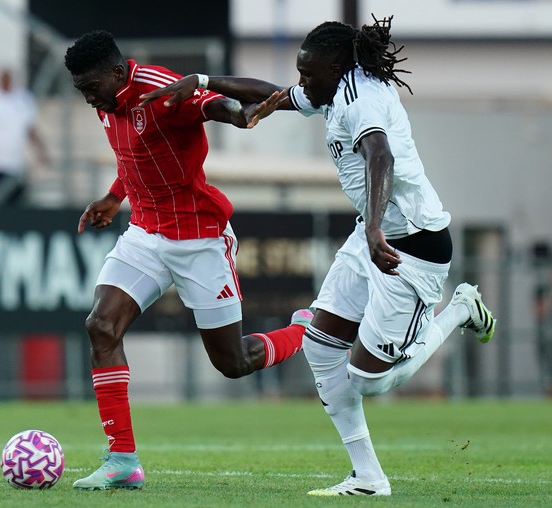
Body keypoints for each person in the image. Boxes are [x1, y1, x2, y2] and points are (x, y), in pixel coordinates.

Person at [140, 15, 496, 497]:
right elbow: (278, 94)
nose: (302, 82)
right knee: (321, 345)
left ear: (337, 67)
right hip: (369, 238)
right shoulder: (333, 85)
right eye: (301, 72)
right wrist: (203, 82)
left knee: (370, 381)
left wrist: (373, 227)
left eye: (309, 74)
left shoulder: (361, 99)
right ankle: (368, 477)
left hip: (409, 246)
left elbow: (380, 157)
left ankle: (460, 308)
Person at [63, 30, 312, 491]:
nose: (88, 99)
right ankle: (122, 461)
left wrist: (237, 114)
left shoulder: (159, 88)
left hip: (199, 238)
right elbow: (135, 152)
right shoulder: (108, 101)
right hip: (145, 233)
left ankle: (305, 331)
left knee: (232, 363)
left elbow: (211, 104)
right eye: (82, 91)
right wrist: (114, 197)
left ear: (118, 73)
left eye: (91, 87)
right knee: (101, 326)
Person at [0, 67, 49, 206]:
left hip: (14, 165)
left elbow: (30, 129)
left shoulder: (23, 99)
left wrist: (41, 152)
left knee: (14, 205)